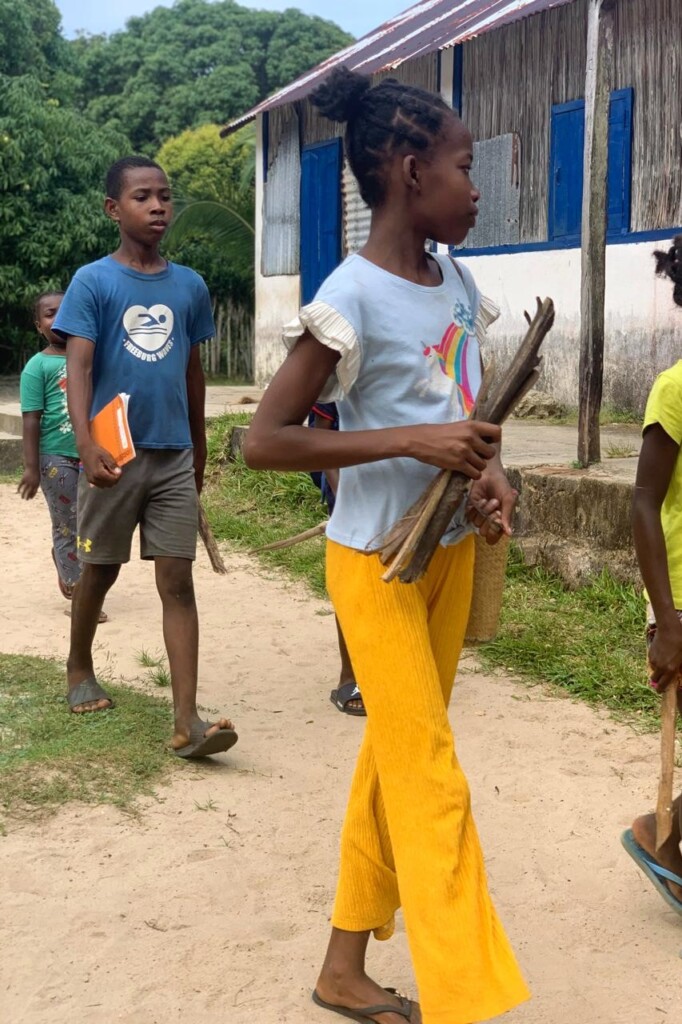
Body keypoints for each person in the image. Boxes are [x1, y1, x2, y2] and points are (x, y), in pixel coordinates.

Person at [245, 68, 529, 1024]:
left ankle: (340, 968)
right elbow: (265, 441)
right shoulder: (350, 294)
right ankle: (467, 1000)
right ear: (411, 172)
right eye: (464, 166)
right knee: (429, 774)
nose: (477, 186)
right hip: (373, 565)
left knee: (391, 767)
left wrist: (484, 479)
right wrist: (409, 441)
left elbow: (458, 414)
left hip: (443, 550)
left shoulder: (457, 281)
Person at [52, 155, 237, 759]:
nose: (158, 206)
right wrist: (85, 442)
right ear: (114, 209)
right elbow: (78, 368)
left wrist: (200, 446)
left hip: (174, 455)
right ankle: (80, 667)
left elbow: (192, 372)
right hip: (114, 454)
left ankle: (188, 721)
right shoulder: (93, 282)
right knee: (99, 572)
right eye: (142, 197)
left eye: (165, 196)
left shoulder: (189, 285)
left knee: (177, 581)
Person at [622, 235, 682, 914]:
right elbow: (642, 501)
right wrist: (666, 622)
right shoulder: (675, 388)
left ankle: (663, 835)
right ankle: (659, 838)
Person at [18, 291, 107, 622]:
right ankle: (78, 590)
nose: (58, 319)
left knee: (93, 522)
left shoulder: (91, 360)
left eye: (65, 311)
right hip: (56, 458)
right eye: (49, 314)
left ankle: (68, 563)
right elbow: (31, 418)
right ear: (38, 325)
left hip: (94, 454)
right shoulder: (37, 367)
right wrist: (30, 468)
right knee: (67, 523)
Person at [309, 401, 365, 716]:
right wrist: (344, 496)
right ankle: (350, 676)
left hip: (399, 482)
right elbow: (321, 436)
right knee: (352, 582)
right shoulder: (340, 359)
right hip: (349, 490)